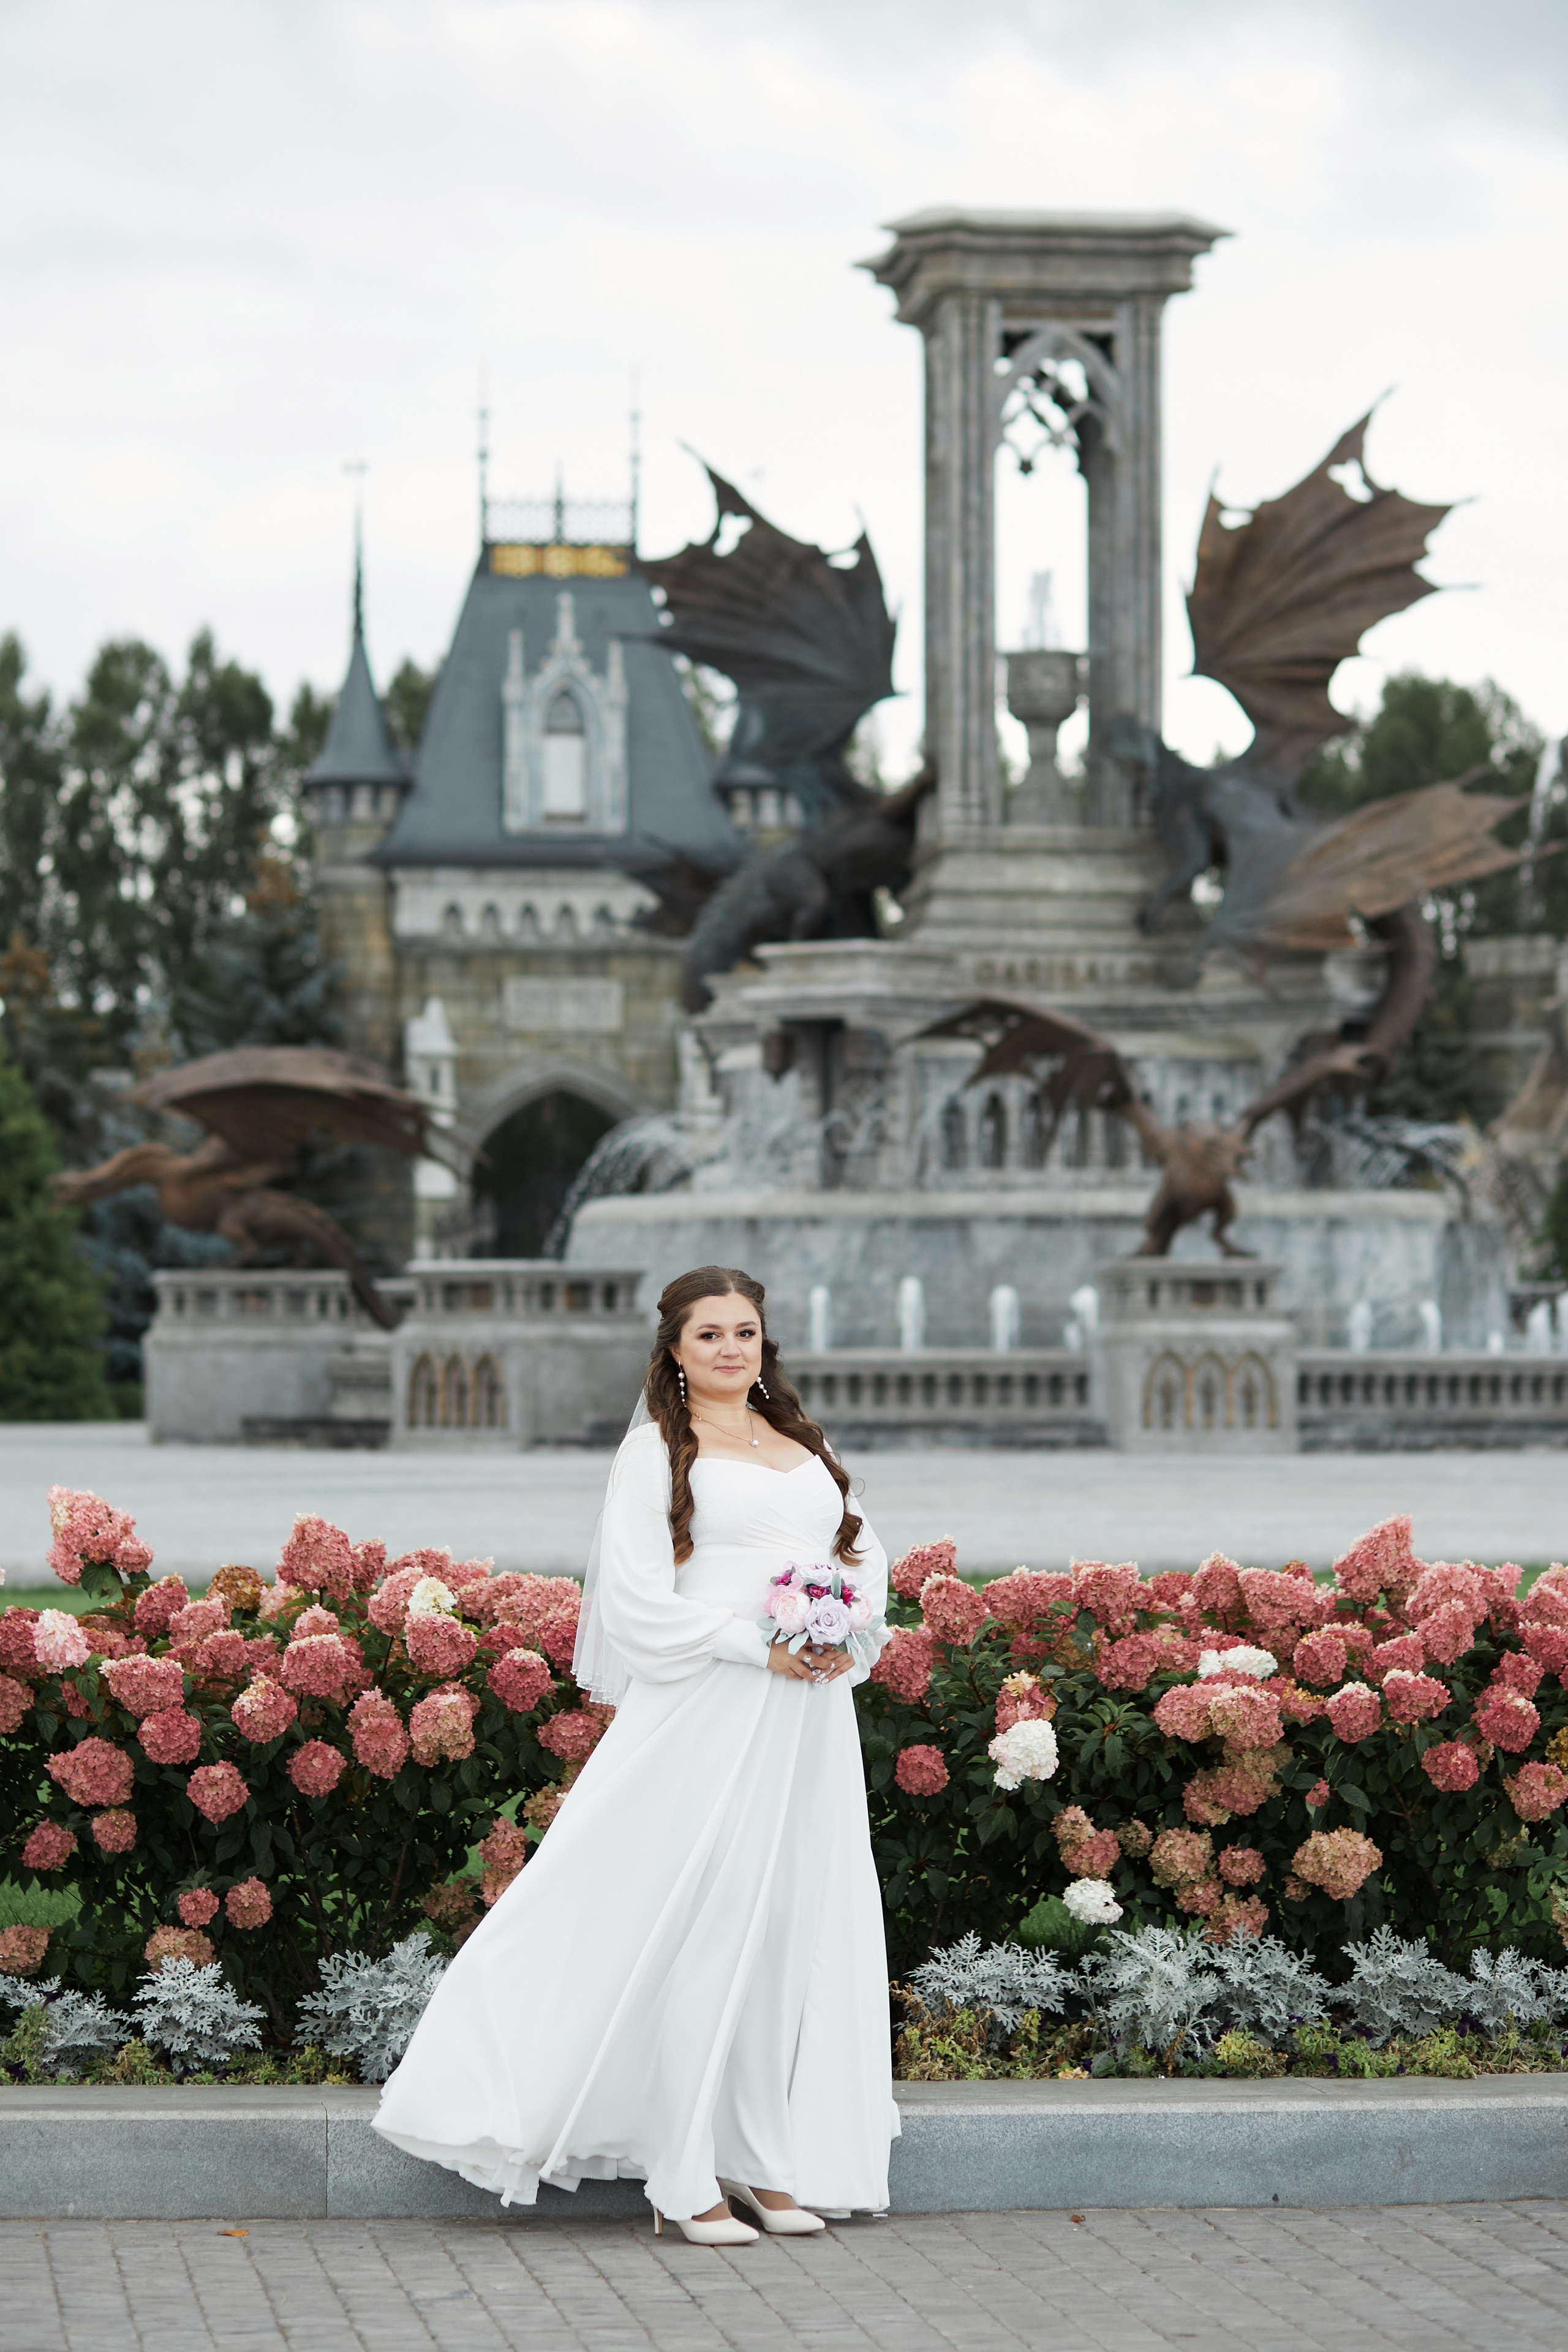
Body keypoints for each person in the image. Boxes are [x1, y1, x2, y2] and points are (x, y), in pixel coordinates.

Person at [372, 1264, 897, 2244]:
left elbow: (864, 1560)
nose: (731, 1348)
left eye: (745, 1331)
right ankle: (682, 2176)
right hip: (712, 1706)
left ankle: (761, 2160)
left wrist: (844, 1631)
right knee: (708, 1923)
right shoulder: (657, 1450)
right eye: (710, 1334)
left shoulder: (805, 1443)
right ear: (675, 1350)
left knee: (786, 1928)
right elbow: (635, 1599)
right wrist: (758, 1645)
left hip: (808, 1716)